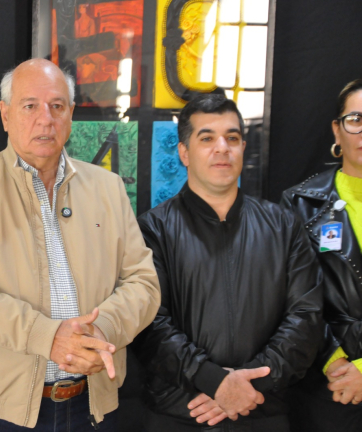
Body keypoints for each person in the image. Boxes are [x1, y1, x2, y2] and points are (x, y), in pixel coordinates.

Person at [0, 58, 160, 431]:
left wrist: (104, 330)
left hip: (92, 405)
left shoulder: (108, 187)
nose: (45, 119)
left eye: (57, 106)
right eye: (30, 106)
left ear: (71, 115)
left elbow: (143, 282)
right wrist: (47, 338)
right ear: (5, 115)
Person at [135, 94, 324, 431]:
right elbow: (149, 324)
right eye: (207, 138)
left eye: (232, 138)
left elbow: (306, 317)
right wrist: (213, 381)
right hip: (181, 412)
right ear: (184, 153)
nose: (222, 148)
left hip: (263, 409)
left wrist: (246, 385)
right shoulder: (153, 229)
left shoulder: (283, 225)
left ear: (243, 148)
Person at [281, 79, 362, 431]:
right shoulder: (300, 203)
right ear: (337, 129)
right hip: (329, 385)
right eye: (356, 119)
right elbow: (293, 298)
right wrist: (336, 362)